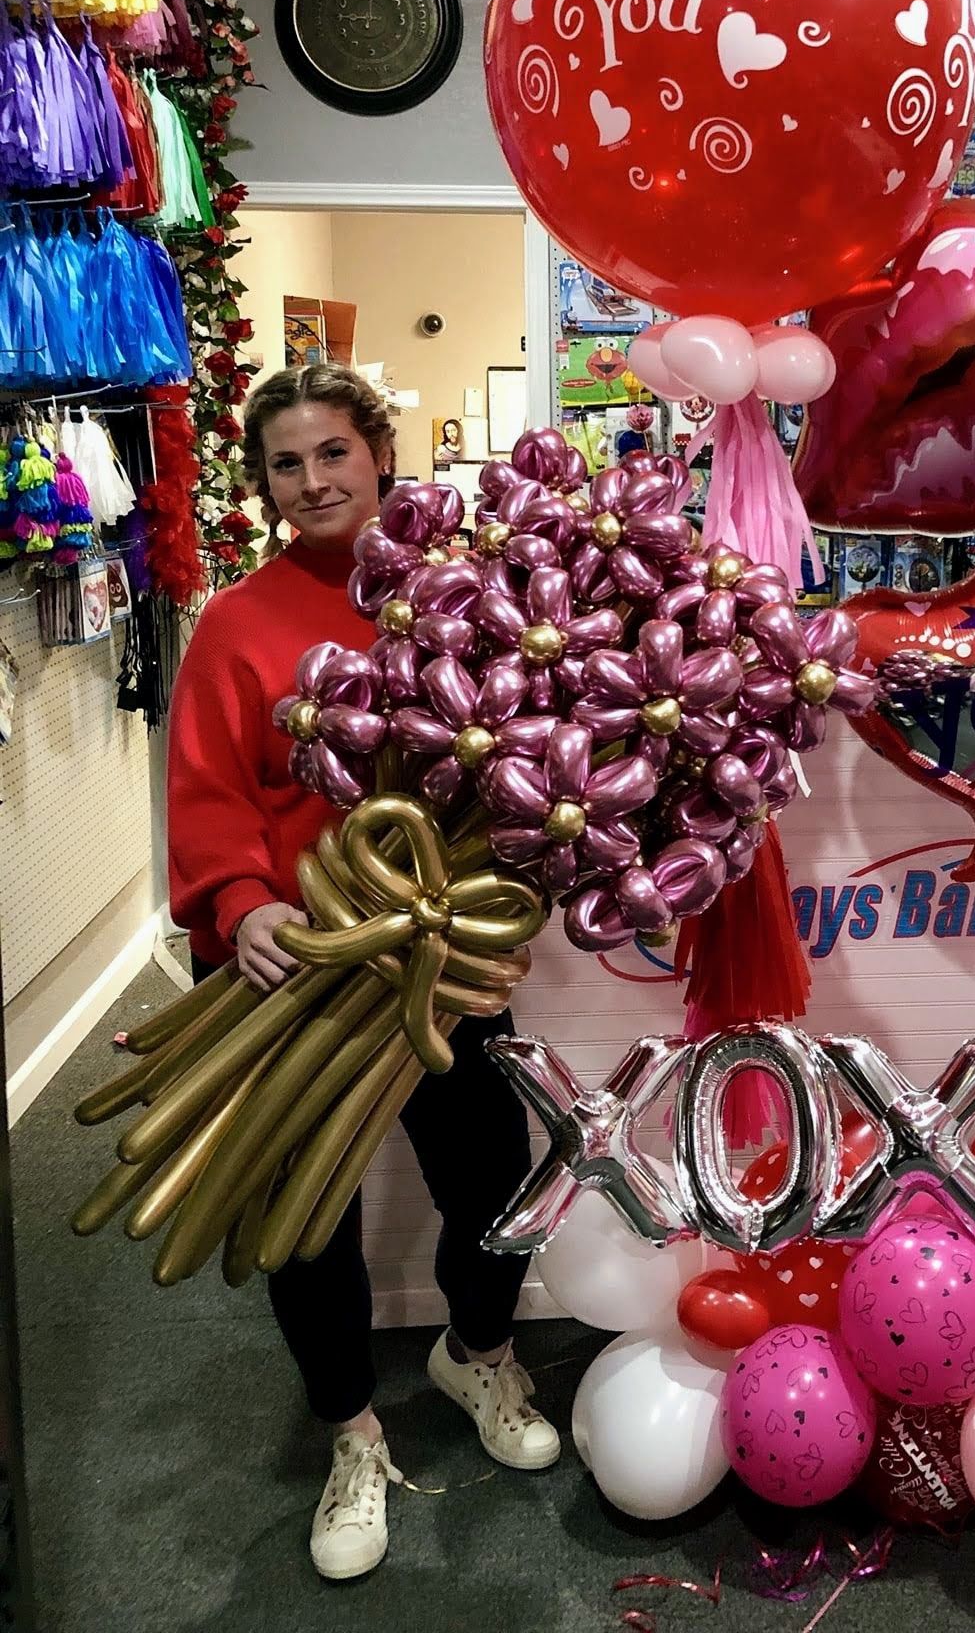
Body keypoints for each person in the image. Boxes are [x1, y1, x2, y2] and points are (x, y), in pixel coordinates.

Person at [166, 363, 557, 1584]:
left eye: (333, 451)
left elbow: (522, 775)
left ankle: (477, 1348)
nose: (314, 479)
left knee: (495, 1171)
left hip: (437, 964)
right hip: (302, 969)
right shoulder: (235, 621)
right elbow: (209, 787)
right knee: (303, 1218)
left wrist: (497, 927)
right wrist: (240, 899)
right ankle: (351, 1428)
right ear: (265, 481)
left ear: (380, 454)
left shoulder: (459, 596)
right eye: (287, 462)